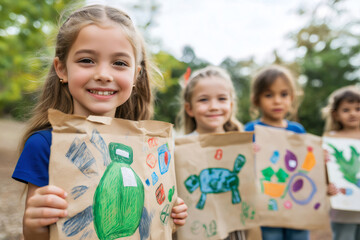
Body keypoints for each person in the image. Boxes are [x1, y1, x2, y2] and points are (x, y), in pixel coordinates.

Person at [11, 5, 187, 239]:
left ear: (136, 75)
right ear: (61, 68)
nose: (103, 74)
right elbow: (39, 235)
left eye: (120, 63)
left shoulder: (147, 149)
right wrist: (34, 224)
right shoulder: (45, 144)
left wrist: (169, 215)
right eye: (87, 60)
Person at [178, 66, 247, 240]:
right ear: (189, 108)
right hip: (196, 229)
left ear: (230, 105)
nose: (214, 106)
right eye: (203, 100)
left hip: (234, 228)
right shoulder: (179, 149)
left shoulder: (242, 144)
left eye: (222, 99)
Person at [244, 65, 308, 240]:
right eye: (269, 95)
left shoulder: (297, 130)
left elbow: (306, 164)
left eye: (284, 94)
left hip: (295, 200)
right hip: (268, 202)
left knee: (299, 235)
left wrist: (318, 156)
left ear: (292, 98)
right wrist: (248, 153)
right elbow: (242, 165)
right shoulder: (251, 130)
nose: (277, 101)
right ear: (256, 100)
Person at [322, 85, 360, 240]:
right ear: (335, 114)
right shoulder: (329, 140)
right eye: (346, 110)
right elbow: (324, 173)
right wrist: (327, 185)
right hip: (342, 207)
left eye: (357, 109)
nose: (353, 113)